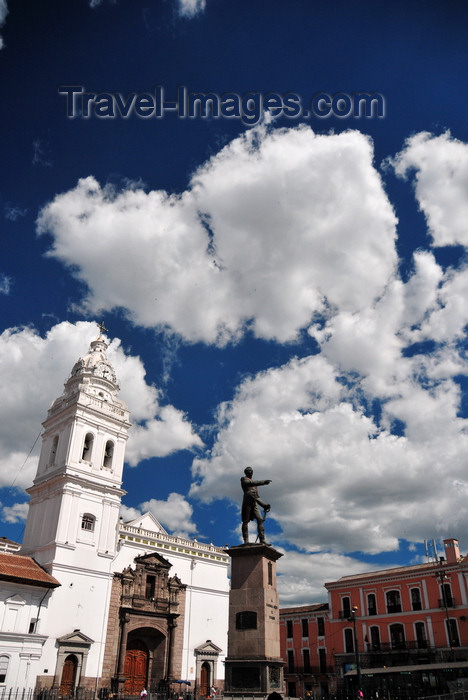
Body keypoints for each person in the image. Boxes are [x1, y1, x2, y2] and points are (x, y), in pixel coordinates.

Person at [241, 466, 272, 545]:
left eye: (252, 471)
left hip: (254, 503)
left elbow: (257, 497)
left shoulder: (255, 485)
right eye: (249, 471)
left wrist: (264, 505)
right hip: (247, 502)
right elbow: (251, 484)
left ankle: (262, 539)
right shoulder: (244, 479)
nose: (251, 472)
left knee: (260, 520)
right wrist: (263, 482)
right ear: (246, 472)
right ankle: (246, 541)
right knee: (245, 521)